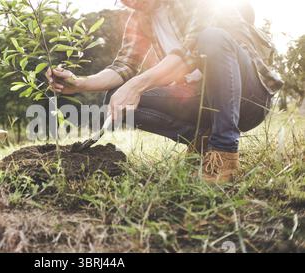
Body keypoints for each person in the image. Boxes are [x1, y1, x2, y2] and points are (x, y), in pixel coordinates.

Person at [45, 0, 283, 183]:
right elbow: (124, 66)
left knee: (212, 38)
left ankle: (223, 152)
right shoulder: (140, 17)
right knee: (116, 99)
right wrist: (80, 83)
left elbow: (191, 53)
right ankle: (200, 141)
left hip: (248, 97)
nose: (131, 3)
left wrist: (137, 85)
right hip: (202, 99)